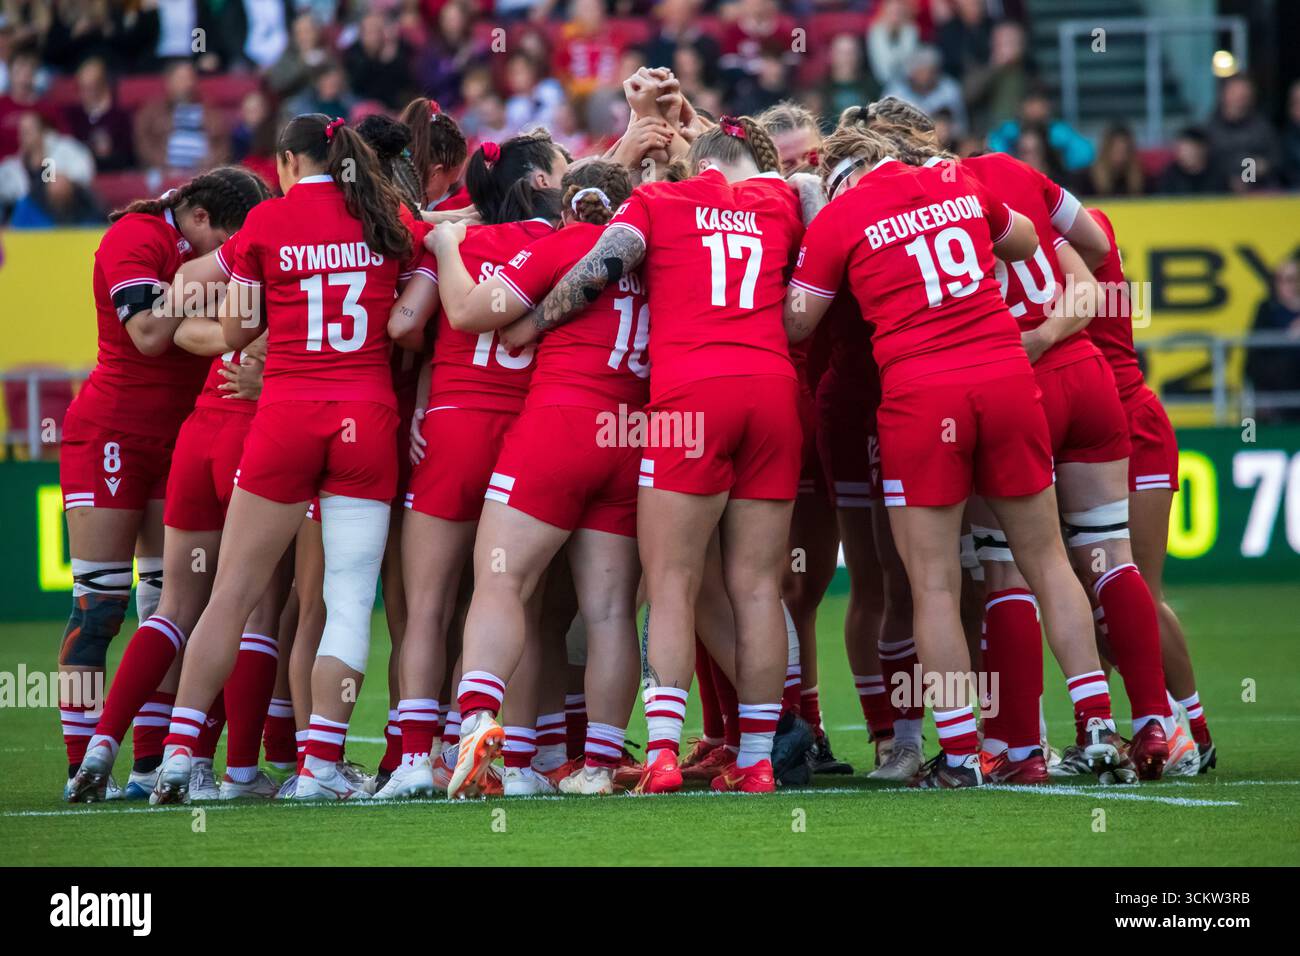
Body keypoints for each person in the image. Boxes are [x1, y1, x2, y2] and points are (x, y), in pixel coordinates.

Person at [784, 124, 1130, 788]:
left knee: (933, 584)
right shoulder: (956, 180)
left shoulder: (843, 216)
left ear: (836, 179)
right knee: (1048, 561)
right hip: (1004, 376)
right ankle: (1096, 727)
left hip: (921, 396)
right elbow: (1027, 243)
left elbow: (798, 320)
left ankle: (965, 753)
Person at [499, 116, 808, 795]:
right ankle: (758, 760)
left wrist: (531, 322)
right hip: (774, 393)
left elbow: (595, 270)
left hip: (690, 398)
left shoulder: (660, 201)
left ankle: (663, 754)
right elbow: (808, 189)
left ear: (694, 162)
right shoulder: (780, 198)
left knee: (672, 582)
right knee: (758, 587)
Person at [151, 113, 412, 803]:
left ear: (289, 161)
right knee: (349, 602)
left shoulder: (266, 222)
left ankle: (179, 759)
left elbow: (237, 329)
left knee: (232, 591)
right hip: (367, 416)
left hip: (287, 413)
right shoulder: (385, 218)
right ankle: (320, 766)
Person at [388, 159, 644, 799]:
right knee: (606, 611)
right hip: (631, 436)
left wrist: (445, 240)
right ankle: (588, 764)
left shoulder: (537, 243)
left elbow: (456, 317)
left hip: (531, 427)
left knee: (474, 592)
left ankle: (456, 733)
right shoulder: (658, 255)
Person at [54, 166, 269, 799]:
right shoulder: (139, 236)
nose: (231, 261)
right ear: (199, 218)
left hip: (181, 438)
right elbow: (147, 333)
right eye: (226, 243)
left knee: (167, 604)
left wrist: (199, 288)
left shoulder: (195, 261)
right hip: (111, 437)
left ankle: (147, 764)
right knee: (99, 606)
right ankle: (79, 762)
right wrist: (200, 285)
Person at [382, 130, 569, 798]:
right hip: (526, 432)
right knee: (517, 599)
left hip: (451, 431)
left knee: (427, 608)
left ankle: (412, 761)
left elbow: (410, 326)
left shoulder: (453, 244)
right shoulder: (560, 244)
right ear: (542, 181)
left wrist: (422, 404)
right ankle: (517, 766)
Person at [1087, 207, 1218, 774]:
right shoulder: (1081, 235)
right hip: (1096, 430)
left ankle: (1186, 726)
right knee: (1101, 593)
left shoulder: (1069, 248)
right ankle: (1155, 726)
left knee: (1131, 586)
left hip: (1123, 425)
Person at [133, 59, 230, 173]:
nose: (187, 84)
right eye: (181, 79)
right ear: (168, 82)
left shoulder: (210, 110)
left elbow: (223, 146)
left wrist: (210, 164)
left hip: (203, 172)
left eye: (190, 78)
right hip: (164, 172)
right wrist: (163, 165)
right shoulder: (152, 111)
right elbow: (143, 144)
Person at [1245, 255, 1300, 422]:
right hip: (1277, 388)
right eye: (1282, 279)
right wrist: (1288, 338)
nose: (1288, 285)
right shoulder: (1267, 310)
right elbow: (1254, 359)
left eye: (1293, 279)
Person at [1205, 73, 1281, 192]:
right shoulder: (1209, 129)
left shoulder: (1262, 128)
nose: (1239, 99)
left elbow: (1275, 160)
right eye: (1235, 94)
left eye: (1244, 95)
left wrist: (1248, 177)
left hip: (1258, 193)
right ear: (1223, 95)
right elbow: (1205, 164)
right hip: (1218, 195)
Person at [1155, 127, 1216, 195]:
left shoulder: (1217, 174)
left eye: (1190, 149)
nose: (1186, 154)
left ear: (1203, 149)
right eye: (1182, 150)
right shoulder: (1169, 175)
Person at [1088, 124, 1146, 197]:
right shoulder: (1088, 179)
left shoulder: (1141, 177)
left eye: (1124, 151)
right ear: (1106, 150)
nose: (1120, 157)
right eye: (1116, 151)